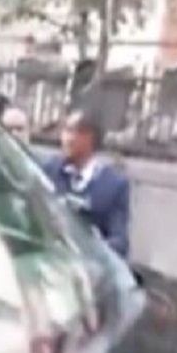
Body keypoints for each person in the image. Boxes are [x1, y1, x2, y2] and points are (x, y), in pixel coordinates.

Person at [42, 110, 131, 257]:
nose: (66, 139)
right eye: (65, 131)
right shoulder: (49, 170)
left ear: (90, 138)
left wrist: (92, 248)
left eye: (73, 131)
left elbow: (119, 240)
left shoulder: (114, 185)